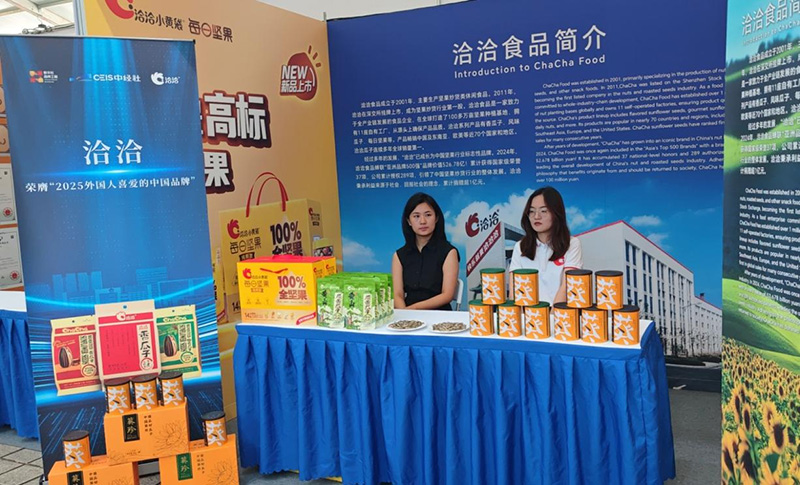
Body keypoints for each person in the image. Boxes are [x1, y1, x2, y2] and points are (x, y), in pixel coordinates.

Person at [508, 186, 583, 304]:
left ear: (556, 213)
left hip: (560, 312)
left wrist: (551, 314)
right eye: (532, 211)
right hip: (528, 313)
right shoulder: (520, 246)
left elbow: (567, 287)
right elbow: (514, 291)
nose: (536, 216)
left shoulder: (572, 244)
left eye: (543, 211)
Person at [392, 192, 460, 310]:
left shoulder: (449, 252)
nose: (422, 221)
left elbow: (447, 295)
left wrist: (413, 310)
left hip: (439, 314)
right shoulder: (399, 255)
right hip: (407, 314)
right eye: (416, 216)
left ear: (436, 218)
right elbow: (397, 294)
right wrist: (404, 314)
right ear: (409, 221)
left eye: (428, 215)